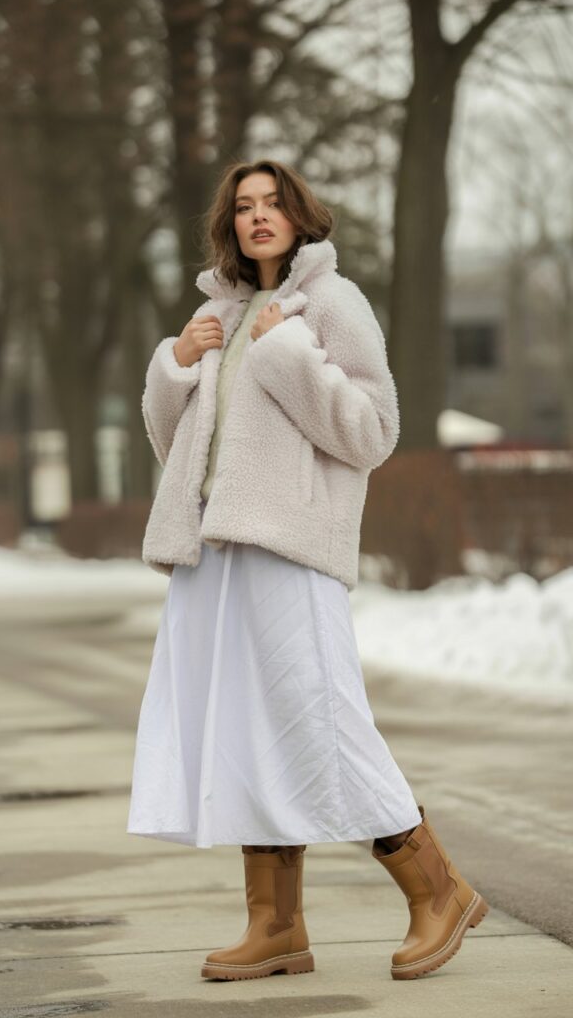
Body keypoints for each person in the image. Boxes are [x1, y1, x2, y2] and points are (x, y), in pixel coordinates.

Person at [127, 158, 488, 982]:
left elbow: (372, 431)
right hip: (212, 553)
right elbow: (175, 446)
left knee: (319, 715)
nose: (259, 217)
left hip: (291, 548)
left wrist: (287, 349)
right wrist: (175, 364)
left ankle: (439, 887)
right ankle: (277, 924)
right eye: (245, 206)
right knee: (244, 728)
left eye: (273, 204)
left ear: (299, 215)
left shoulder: (331, 304)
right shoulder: (216, 310)